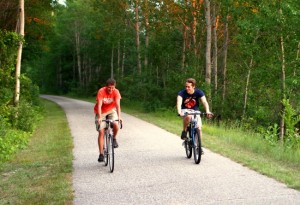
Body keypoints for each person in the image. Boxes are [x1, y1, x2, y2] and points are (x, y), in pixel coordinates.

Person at [176, 78, 213, 152]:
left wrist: (207, 111)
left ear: (193, 86)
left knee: (199, 128)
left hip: (195, 111)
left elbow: (205, 102)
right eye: (186, 86)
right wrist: (180, 112)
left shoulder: (199, 92)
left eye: (188, 87)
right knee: (188, 116)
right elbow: (179, 103)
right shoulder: (182, 93)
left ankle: (199, 146)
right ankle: (184, 131)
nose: (187, 88)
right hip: (185, 110)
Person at [94, 78, 122, 162]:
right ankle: (101, 154)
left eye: (112, 87)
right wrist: (99, 117)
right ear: (106, 86)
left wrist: (119, 117)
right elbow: (99, 105)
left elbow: (117, 105)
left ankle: (114, 139)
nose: (111, 89)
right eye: (109, 87)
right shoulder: (101, 91)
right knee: (101, 132)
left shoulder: (116, 92)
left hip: (111, 111)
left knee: (116, 124)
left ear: (115, 87)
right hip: (101, 112)